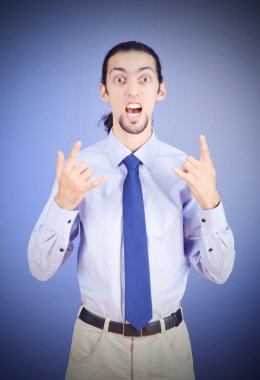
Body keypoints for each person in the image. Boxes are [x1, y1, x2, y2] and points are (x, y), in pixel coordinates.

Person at [28, 41, 235, 380]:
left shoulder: (185, 173)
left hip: (170, 351)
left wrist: (212, 203)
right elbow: (39, 268)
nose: (132, 89)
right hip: (95, 350)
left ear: (161, 90)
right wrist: (62, 203)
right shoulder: (78, 172)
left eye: (144, 78)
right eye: (120, 79)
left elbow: (219, 271)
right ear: (104, 91)